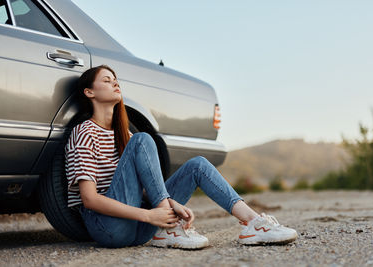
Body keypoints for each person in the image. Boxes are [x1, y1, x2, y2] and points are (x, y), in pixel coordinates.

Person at [64, 64, 298, 249]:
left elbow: (137, 189)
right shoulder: (84, 132)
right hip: (107, 228)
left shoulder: (123, 135)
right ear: (89, 91)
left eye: (116, 80)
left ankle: (252, 222)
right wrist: (150, 214)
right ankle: (170, 229)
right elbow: (89, 200)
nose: (115, 83)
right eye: (107, 80)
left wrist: (170, 206)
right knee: (143, 139)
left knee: (198, 165)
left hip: (141, 226)